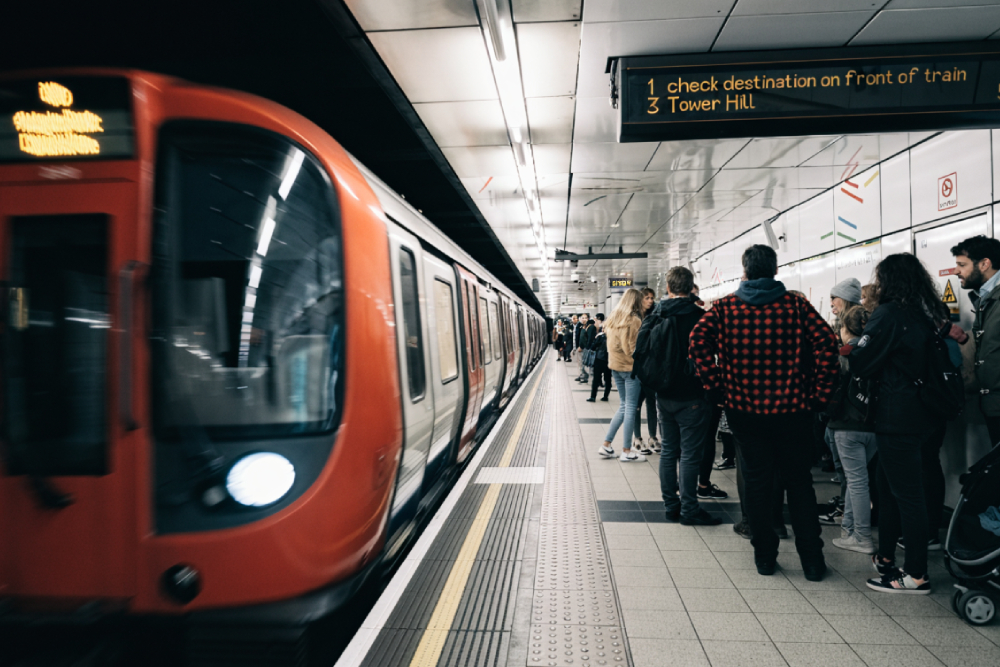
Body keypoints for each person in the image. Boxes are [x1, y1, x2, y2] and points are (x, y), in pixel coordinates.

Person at [690, 244, 838, 581]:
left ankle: (765, 557)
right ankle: (813, 562)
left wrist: (716, 388)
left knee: (757, 484)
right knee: (799, 485)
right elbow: (827, 343)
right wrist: (820, 395)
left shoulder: (726, 308)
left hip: (745, 412)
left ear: (745, 271)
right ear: (774, 270)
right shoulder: (796, 306)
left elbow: (697, 340)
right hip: (794, 412)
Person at [849, 253, 950, 595]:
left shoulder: (889, 314)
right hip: (925, 414)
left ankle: (916, 574)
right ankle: (887, 555)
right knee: (887, 484)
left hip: (898, 415)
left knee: (906, 494)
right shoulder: (926, 313)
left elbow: (862, 361)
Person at [653, 267, 721, 526]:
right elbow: (713, 355)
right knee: (690, 455)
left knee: (669, 451)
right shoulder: (700, 317)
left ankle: (671, 506)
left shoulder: (657, 315)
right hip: (692, 395)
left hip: (664, 393)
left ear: (669, 288)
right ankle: (690, 510)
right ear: (691, 286)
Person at [826, 306, 878, 554]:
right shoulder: (877, 352)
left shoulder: (844, 355)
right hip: (874, 425)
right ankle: (849, 531)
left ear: (845, 329)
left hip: (846, 425)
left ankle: (862, 537)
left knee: (856, 482)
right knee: (856, 478)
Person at [952, 235, 1000, 444]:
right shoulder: (985, 299)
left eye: (962, 265)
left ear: (985, 264)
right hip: (992, 406)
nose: (956, 271)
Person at [597, 289, 646, 462]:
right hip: (630, 368)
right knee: (631, 407)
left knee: (624, 406)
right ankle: (626, 450)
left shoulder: (613, 318)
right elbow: (630, 348)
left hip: (615, 366)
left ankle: (607, 444)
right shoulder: (633, 320)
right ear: (635, 302)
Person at [634, 288, 660, 454]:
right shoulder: (634, 317)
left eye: (652, 298)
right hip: (636, 367)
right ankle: (637, 438)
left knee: (652, 404)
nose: (650, 301)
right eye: (647, 298)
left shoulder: (656, 317)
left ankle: (652, 437)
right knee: (636, 404)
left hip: (651, 367)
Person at [587, 313, 611, 402]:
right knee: (607, 379)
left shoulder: (600, 336)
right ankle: (605, 396)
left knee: (596, 379)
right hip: (609, 361)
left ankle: (593, 397)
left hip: (599, 360)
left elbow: (593, 347)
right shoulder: (613, 337)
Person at [576, 313, 596, 383]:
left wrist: (586, 348)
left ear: (588, 319)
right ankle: (584, 376)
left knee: (586, 364)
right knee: (581, 363)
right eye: (582, 318)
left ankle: (588, 378)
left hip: (586, 349)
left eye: (585, 318)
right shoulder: (582, 326)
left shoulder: (590, 327)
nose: (584, 319)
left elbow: (590, 339)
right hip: (581, 348)